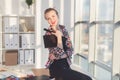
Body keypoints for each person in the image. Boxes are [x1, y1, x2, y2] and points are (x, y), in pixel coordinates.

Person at [44, 8, 92, 80]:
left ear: (57, 16)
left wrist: (61, 55)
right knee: (87, 79)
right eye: (48, 18)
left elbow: (71, 50)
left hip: (66, 65)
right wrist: (59, 37)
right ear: (47, 21)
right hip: (56, 68)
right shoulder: (48, 34)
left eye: (53, 16)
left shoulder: (63, 29)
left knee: (88, 78)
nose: (52, 20)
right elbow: (59, 53)